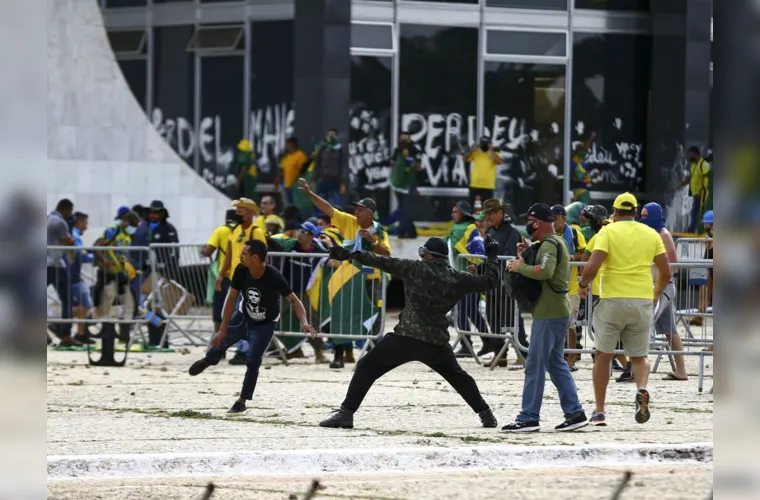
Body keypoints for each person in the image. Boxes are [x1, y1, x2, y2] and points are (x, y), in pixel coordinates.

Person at [318, 237, 502, 429]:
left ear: (427, 254)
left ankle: (346, 414)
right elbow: (489, 281)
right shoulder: (457, 277)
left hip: (406, 338)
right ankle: (485, 414)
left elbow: (380, 260)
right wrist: (492, 257)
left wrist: (348, 254)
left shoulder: (414, 268)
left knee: (366, 366)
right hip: (436, 342)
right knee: (459, 378)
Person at [188, 240, 317, 415]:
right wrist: (223, 327)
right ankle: (209, 360)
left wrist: (304, 322)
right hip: (243, 317)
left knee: (253, 359)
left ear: (255, 257)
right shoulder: (241, 270)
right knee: (220, 341)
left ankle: (242, 400)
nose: (240, 256)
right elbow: (231, 298)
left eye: (244, 253)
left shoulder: (273, 276)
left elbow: (294, 300)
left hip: (265, 324)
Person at [579, 193, 672, 427]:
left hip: (613, 300)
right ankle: (641, 388)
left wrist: (582, 285)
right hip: (642, 300)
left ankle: (599, 411)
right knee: (639, 357)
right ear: (635, 211)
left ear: (615, 211)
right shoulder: (651, 234)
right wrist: (656, 292)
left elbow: (591, 266)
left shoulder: (607, 232)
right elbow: (666, 271)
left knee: (603, 355)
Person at [501, 203, 588, 432]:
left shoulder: (549, 244)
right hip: (555, 311)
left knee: (535, 365)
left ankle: (528, 416)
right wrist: (527, 254)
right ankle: (575, 413)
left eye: (529, 221)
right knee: (556, 364)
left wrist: (520, 268)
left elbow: (546, 271)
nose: (527, 225)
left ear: (537, 222)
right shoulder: (552, 242)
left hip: (549, 315)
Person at [298, 177, 390, 368]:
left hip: (370, 278)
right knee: (341, 315)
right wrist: (308, 193)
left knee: (373, 316)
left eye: (360, 209)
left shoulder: (380, 231)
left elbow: (387, 254)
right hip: (347, 278)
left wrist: (373, 241)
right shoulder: (349, 222)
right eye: (355, 209)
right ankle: (339, 356)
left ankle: (373, 356)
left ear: (370, 213)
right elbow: (328, 208)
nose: (356, 212)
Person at [473, 198, 527, 366]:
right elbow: (491, 257)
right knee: (493, 318)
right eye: (486, 213)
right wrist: (480, 269)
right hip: (493, 283)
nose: (487, 217)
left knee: (513, 319)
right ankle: (500, 355)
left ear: (499, 212)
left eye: (490, 213)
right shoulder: (491, 231)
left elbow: (508, 258)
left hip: (507, 283)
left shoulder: (511, 232)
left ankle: (523, 353)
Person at [216, 198, 268, 364]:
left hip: (250, 280)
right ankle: (242, 349)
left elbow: (263, 257)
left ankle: (245, 351)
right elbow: (229, 255)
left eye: (241, 210)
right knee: (235, 315)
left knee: (244, 317)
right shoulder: (235, 229)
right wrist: (221, 274)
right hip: (235, 280)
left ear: (250, 213)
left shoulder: (256, 231)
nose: (237, 212)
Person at [639, 202, 687, 380]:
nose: (642, 219)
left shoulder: (663, 234)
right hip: (656, 286)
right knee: (670, 331)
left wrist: (658, 286)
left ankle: (637, 367)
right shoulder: (650, 234)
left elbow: (673, 264)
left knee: (645, 323)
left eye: (645, 215)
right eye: (641, 215)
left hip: (663, 287)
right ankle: (681, 371)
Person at [92, 208, 140, 341]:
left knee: (130, 304)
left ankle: (124, 336)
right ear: (125, 221)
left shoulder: (128, 234)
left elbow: (123, 252)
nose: (133, 228)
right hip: (107, 273)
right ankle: (90, 326)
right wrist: (105, 261)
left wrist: (127, 265)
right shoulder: (113, 230)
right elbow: (98, 247)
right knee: (105, 305)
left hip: (120, 273)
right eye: (132, 225)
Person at [447, 201, 488, 358]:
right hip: (467, 277)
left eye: (455, 212)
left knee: (462, 311)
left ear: (463, 214)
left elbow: (474, 253)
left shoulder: (465, 229)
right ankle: (489, 340)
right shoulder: (469, 228)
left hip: (468, 278)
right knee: (471, 311)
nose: (452, 215)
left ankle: (466, 344)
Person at [551, 205, 587, 371]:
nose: (552, 221)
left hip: (572, 285)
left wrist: (571, 258)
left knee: (571, 324)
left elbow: (585, 256)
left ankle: (571, 357)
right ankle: (555, 356)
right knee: (553, 322)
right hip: (553, 285)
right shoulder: (548, 234)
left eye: (555, 217)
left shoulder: (574, 233)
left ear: (563, 217)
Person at [202, 208, 240, 333]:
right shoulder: (242, 231)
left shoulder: (220, 230)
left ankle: (219, 342)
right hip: (240, 275)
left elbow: (208, 252)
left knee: (219, 310)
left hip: (224, 276)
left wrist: (203, 249)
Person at [47, 198, 76, 345]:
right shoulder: (59, 222)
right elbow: (69, 241)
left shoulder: (46, 218)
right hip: (56, 265)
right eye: (70, 211)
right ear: (66, 209)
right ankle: (65, 334)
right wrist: (70, 230)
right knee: (67, 299)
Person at [388, 131, 423, 239]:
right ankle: (408, 231)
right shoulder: (397, 151)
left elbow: (419, 166)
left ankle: (404, 231)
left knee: (406, 208)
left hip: (410, 184)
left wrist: (409, 162)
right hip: (398, 184)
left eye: (406, 140)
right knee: (403, 207)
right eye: (402, 140)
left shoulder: (415, 150)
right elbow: (392, 163)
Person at [68, 212, 95, 344]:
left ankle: (80, 333)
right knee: (85, 302)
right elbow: (79, 254)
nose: (86, 227)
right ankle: (60, 324)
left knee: (82, 303)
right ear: (79, 223)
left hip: (73, 275)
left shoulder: (74, 234)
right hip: (72, 275)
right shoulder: (74, 235)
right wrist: (96, 258)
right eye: (85, 223)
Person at [678, 146, 711, 233]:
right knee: (695, 213)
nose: (689, 157)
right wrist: (681, 184)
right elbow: (690, 177)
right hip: (696, 194)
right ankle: (694, 230)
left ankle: (693, 231)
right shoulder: (693, 165)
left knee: (696, 213)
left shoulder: (703, 164)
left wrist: (701, 190)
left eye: (691, 155)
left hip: (702, 194)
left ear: (696, 154)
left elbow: (707, 177)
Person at [311, 129, 344, 209]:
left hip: (335, 179)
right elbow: (317, 164)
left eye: (333, 135)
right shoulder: (322, 148)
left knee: (336, 204)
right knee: (320, 202)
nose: (331, 137)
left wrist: (343, 181)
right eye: (329, 135)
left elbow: (343, 166)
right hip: (322, 179)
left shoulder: (340, 149)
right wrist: (313, 180)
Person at [464, 135, 504, 203]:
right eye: (483, 143)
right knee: (469, 207)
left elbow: (499, 162)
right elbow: (465, 159)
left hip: (488, 186)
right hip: (474, 184)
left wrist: (491, 150)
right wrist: (471, 150)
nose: (484, 145)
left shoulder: (494, 153)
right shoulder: (476, 153)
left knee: (487, 209)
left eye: (486, 143)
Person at [691, 210, 714, 328]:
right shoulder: (710, 235)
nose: (705, 226)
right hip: (710, 269)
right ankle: (699, 317)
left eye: (707, 223)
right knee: (704, 293)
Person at [147, 200, 180, 280]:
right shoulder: (146, 227)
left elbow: (174, 250)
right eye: (151, 212)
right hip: (149, 268)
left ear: (162, 213)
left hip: (164, 269)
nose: (152, 215)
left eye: (156, 212)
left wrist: (170, 272)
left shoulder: (169, 229)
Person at [275, 137, 309, 206]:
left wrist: (297, 182)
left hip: (296, 186)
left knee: (296, 205)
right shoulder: (287, 156)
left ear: (293, 144)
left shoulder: (301, 156)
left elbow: (304, 172)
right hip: (286, 186)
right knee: (288, 205)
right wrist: (278, 180)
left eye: (287, 144)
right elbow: (282, 170)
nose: (286, 146)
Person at [570, 132, 596, 205]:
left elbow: (586, 178)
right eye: (583, 151)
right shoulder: (573, 163)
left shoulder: (582, 162)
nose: (585, 152)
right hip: (576, 191)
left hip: (583, 189)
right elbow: (580, 177)